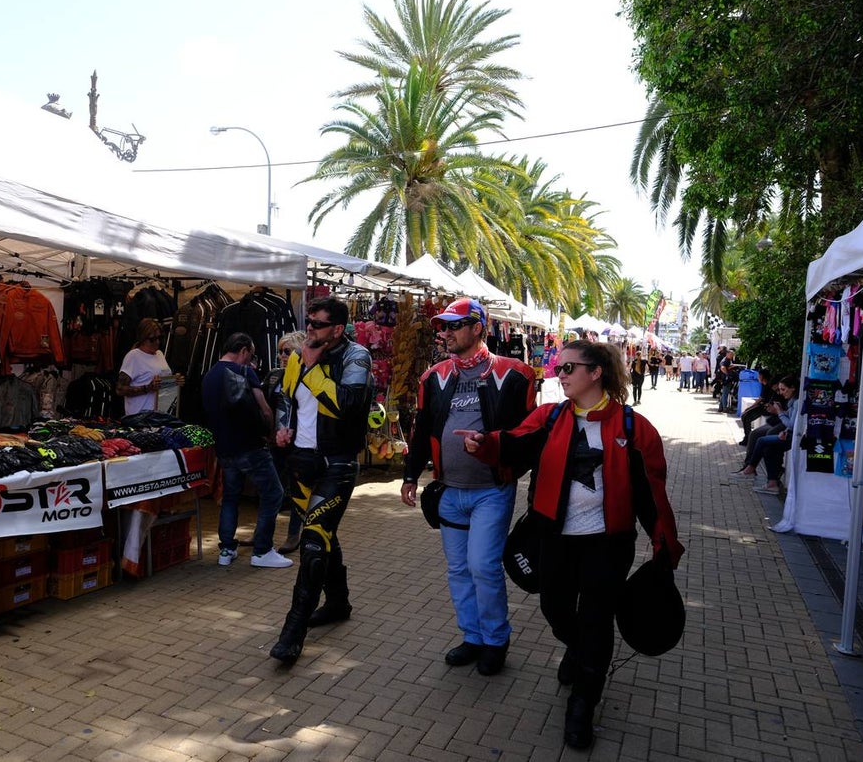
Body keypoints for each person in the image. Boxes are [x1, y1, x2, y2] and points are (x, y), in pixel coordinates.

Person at [458, 339, 684, 750]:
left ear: (595, 373)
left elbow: (653, 493)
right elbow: (512, 441)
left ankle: (583, 701)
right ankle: (582, 652)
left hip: (609, 543)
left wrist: (663, 540)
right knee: (554, 608)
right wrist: (483, 444)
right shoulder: (549, 417)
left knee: (598, 618)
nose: (557, 375)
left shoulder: (635, 429)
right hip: (554, 538)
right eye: (557, 368)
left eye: (567, 368)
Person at [400, 298, 537, 675]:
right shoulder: (435, 377)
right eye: (441, 327)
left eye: (453, 326)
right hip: (449, 491)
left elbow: (528, 436)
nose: (444, 333)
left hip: (491, 492)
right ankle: (472, 636)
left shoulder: (516, 374)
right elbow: (422, 428)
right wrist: (411, 475)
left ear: (478, 327)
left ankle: (496, 639)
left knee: (483, 567)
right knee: (458, 569)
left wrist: (494, 446)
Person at [269, 297, 374, 665]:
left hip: (338, 464)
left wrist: (313, 369)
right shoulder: (298, 357)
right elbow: (286, 397)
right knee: (324, 535)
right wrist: (284, 427)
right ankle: (339, 602)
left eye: (318, 323)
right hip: (301, 462)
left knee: (313, 543)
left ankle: (292, 631)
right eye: (308, 321)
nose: (309, 328)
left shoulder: (356, 357)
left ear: (337, 329)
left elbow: (346, 405)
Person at [201, 333, 293, 569]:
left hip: (224, 448)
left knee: (231, 496)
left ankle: (226, 549)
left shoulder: (209, 376)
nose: (250, 360)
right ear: (243, 350)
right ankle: (262, 550)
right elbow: (264, 409)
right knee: (273, 493)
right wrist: (271, 433)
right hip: (251, 446)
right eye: (250, 355)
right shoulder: (245, 372)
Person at [265, 330, 307, 555]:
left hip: (299, 441)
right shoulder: (274, 375)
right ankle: (263, 532)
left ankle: (294, 534)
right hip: (275, 441)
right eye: (280, 351)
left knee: (296, 489)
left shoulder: (307, 376)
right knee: (272, 486)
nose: (282, 355)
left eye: (287, 351)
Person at [731, 376, 799, 493]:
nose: (781, 393)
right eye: (779, 390)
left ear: (792, 388)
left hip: (791, 436)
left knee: (762, 440)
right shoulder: (792, 402)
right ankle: (771, 482)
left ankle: (751, 469)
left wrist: (779, 412)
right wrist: (779, 413)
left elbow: (792, 424)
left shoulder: (797, 402)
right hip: (786, 432)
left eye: (783, 390)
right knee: (766, 445)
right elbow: (789, 419)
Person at [116, 318, 182, 415]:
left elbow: (162, 384)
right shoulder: (134, 356)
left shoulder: (159, 354)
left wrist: (175, 382)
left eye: (160, 338)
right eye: (152, 339)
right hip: (140, 418)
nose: (157, 342)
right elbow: (120, 389)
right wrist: (148, 388)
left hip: (160, 416)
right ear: (143, 339)